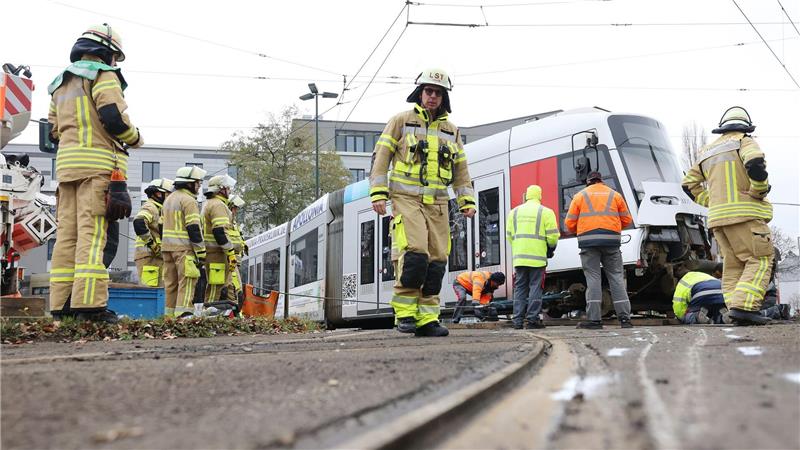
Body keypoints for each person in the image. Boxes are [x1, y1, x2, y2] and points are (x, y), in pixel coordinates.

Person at [369, 68, 476, 337]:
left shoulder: (452, 131)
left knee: (437, 261)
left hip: (438, 204)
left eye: (438, 93)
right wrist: (379, 193)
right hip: (406, 200)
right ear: (420, 92)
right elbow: (380, 158)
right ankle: (405, 314)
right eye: (429, 91)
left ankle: (428, 319)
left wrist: (466, 201)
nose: (432, 96)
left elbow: (461, 171)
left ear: (443, 98)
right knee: (416, 254)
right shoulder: (400, 121)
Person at [47, 24, 143, 323]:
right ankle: (89, 307)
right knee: (93, 236)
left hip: (67, 170)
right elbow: (113, 117)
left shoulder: (60, 83)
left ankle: (62, 306)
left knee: (67, 237)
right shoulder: (103, 75)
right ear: (107, 52)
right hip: (98, 168)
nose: (115, 62)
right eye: (115, 56)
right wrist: (134, 137)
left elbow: (53, 132)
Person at [682, 107, 773, 325]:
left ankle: (735, 309)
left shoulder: (707, 151)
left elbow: (688, 184)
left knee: (733, 265)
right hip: (745, 215)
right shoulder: (744, 142)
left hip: (718, 219)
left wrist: (710, 201)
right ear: (746, 127)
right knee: (760, 259)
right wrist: (758, 191)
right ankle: (745, 307)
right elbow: (755, 164)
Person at [565, 171, 634, 329]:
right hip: (611, 241)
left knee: (593, 278)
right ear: (601, 181)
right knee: (616, 277)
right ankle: (625, 319)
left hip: (588, 242)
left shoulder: (579, 196)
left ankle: (595, 320)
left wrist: (582, 230)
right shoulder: (615, 195)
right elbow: (627, 220)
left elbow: (569, 224)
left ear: (588, 182)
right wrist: (612, 229)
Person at [506, 185, 559, 329]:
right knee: (535, 287)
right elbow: (553, 236)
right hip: (537, 258)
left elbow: (509, 235)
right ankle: (532, 320)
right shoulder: (546, 212)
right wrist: (550, 248)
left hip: (520, 257)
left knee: (520, 288)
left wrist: (519, 247)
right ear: (539, 196)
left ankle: (517, 321)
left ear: (527, 195)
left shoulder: (514, 212)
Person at [162, 166, 207, 317]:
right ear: (189, 183)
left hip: (167, 249)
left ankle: (169, 317)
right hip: (184, 249)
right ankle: (184, 316)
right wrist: (201, 252)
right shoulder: (188, 200)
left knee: (171, 285)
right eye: (197, 183)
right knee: (187, 283)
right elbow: (193, 228)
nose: (199, 186)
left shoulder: (169, 199)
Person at [201, 175, 237, 303]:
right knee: (215, 288)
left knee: (218, 286)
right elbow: (219, 231)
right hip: (216, 254)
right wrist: (230, 252)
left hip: (213, 253)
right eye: (228, 188)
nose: (230, 191)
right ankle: (208, 314)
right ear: (221, 189)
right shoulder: (218, 205)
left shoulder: (210, 204)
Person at [133, 178, 173, 287]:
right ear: (159, 194)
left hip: (155, 257)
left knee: (160, 290)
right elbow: (139, 222)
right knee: (151, 292)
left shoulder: (161, 209)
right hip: (149, 257)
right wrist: (152, 244)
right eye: (169, 194)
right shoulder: (151, 207)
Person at [224, 194, 247, 305]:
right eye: (234, 208)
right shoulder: (224, 222)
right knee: (235, 290)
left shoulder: (234, 223)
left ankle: (235, 315)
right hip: (230, 262)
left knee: (237, 291)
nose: (235, 211)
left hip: (236, 262)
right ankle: (234, 316)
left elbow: (237, 239)